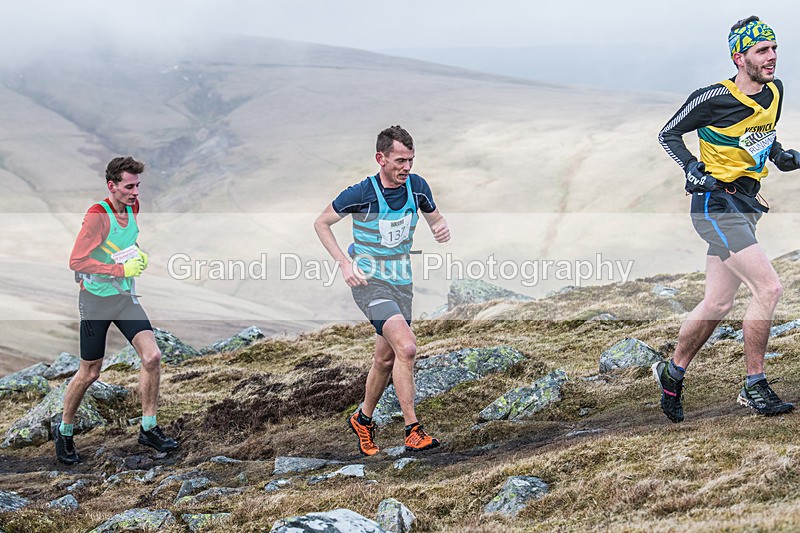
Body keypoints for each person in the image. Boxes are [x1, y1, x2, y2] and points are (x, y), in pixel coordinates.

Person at [655, 16, 798, 423]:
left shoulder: (776, 91)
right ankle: (755, 385)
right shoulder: (713, 98)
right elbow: (668, 134)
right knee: (768, 288)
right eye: (761, 51)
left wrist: (780, 155)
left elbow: (763, 132)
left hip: (746, 206)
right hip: (715, 206)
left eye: (774, 48)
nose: (772, 57)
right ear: (740, 57)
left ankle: (672, 371)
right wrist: (690, 167)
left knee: (717, 301)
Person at [314, 125, 451, 455]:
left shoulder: (416, 187)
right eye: (400, 160)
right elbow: (321, 223)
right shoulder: (360, 193)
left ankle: (363, 419)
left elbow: (434, 217)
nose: (407, 167)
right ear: (381, 158)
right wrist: (344, 265)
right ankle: (413, 430)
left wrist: (440, 226)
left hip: (402, 283)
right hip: (369, 284)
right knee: (406, 347)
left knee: (385, 358)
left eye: (411, 160)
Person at [54, 157, 178, 465]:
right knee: (90, 372)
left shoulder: (133, 208)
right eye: (129, 186)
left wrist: (138, 256)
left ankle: (148, 428)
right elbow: (77, 261)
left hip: (124, 297)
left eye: (138, 185)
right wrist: (119, 268)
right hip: (95, 301)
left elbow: (124, 242)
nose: (136, 192)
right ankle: (64, 430)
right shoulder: (97, 216)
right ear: (112, 186)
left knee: (152, 356)